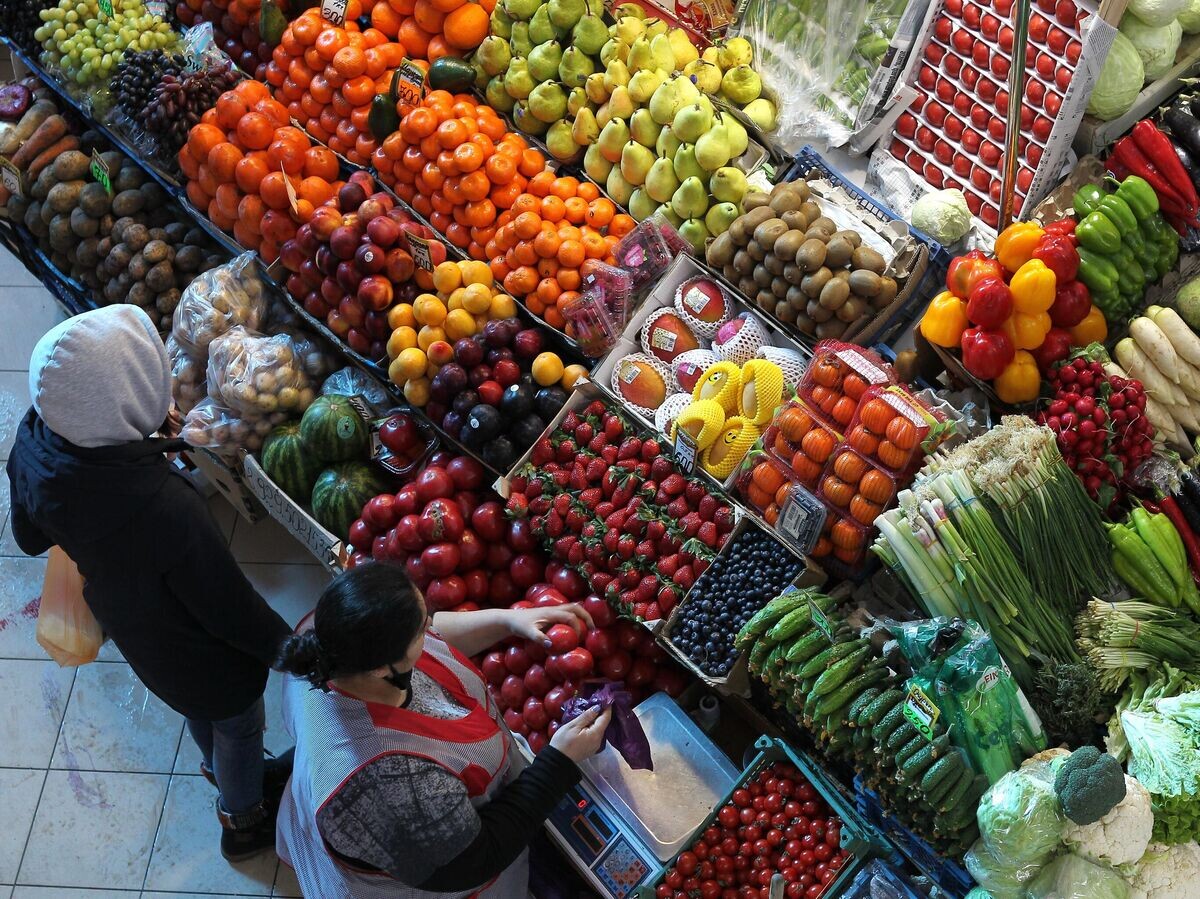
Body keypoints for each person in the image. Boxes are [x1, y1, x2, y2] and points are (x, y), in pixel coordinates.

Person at [6, 305, 294, 860]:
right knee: (236, 719)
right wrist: (291, 650)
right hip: (198, 645)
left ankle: (221, 771)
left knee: (195, 708)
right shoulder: (165, 506)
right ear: (131, 397)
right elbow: (227, 606)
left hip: (133, 627)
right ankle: (243, 820)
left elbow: (29, 537)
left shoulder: (35, 439)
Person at [276, 561, 613, 897]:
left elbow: (437, 635)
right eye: (419, 630)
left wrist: (508, 620)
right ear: (382, 668)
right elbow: (472, 860)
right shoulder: (389, 781)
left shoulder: (328, 644)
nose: (430, 628)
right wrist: (557, 765)